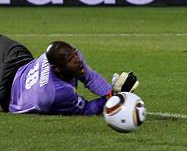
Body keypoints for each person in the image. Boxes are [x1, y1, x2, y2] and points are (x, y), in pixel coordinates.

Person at [0, 36, 138, 115]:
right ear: (58, 69)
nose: (78, 60)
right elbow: (88, 109)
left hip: (13, 74)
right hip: (10, 81)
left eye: (75, 54)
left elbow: (90, 77)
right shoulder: (59, 93)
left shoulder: (70, 57)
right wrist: (117, 99)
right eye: (71, 59)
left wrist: (111, 93)